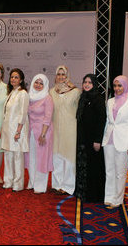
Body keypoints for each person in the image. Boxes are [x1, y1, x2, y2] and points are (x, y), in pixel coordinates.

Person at [102, 75, 128, 208]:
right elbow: (108, 121)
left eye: (120, 85)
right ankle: (108, 197)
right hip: (109, 140)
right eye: (115, 86)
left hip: (124, 142)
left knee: (120, 172)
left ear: (125, 86)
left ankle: (117, 200)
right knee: (109, 171)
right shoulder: (110, 101)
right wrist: (104, 139)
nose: (117, 88)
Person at [74, 74, 106, 202]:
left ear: (94, 84)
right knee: (83, 166)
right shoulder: (82, 98)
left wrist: (98, 140)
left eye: (90, 82)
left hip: (93, 141)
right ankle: (82, 192)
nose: (86, 85)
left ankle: (93, 195)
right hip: (82, 139)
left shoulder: (98, 99)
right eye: (85, 82)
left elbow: (101, 121)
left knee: (93, 168)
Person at [49, 65, 81, 195]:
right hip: (56, 127)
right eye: (59, 74)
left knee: (68, 158)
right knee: (56, 156)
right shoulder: (51, 92)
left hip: (70, 129)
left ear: (67, 76)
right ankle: (56, 184)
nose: (61, 77)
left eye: (63, 74)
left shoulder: (75, 91)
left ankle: (68, 186)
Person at [1, 68, 29, 192]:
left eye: (16, 77)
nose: (13, 79)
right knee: (8, 156)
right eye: (12, 77)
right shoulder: (11, 92)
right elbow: (6, 114)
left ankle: (18, 184)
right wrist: (3, 129)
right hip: (8, 130)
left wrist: (18, 131)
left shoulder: (23, 93)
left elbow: (23, 114)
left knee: (17, 157)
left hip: (17, 130)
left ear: (21, 80)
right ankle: (8, 181)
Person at [25, 74, 54, 194]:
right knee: (31, 157)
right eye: (36, 82)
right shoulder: (29, 97)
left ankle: (40, 185)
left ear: (45, 85)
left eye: (41, 83)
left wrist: (43, 134)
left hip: (43, 132)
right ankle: (32, 181)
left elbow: (48, 117)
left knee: (42, 158)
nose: (38, 85)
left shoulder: (47, 98)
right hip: (31, 131)